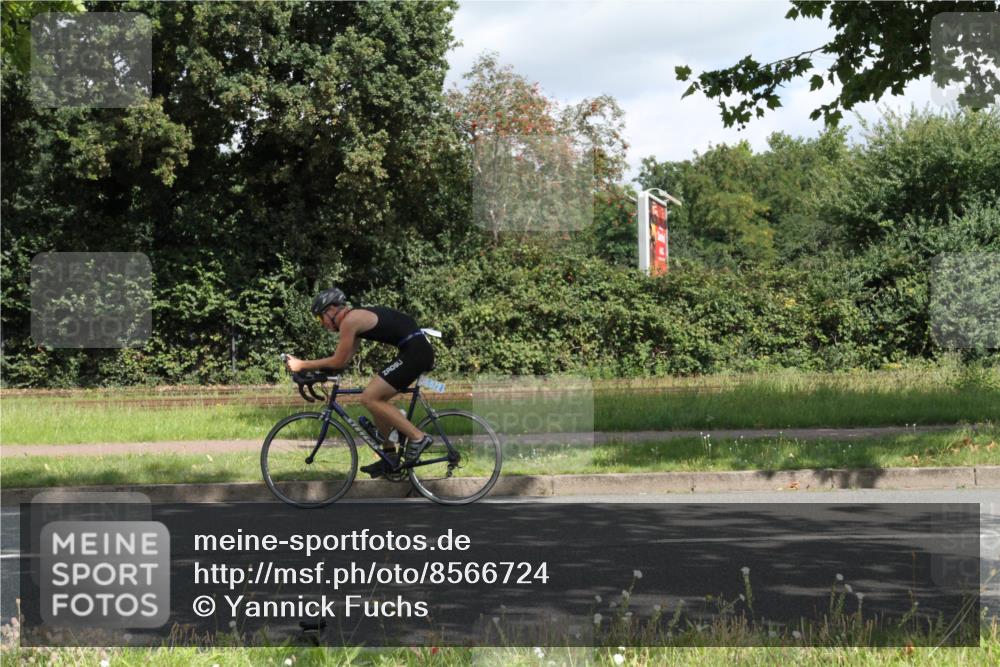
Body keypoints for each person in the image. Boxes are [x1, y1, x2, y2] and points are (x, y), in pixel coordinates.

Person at [283, 287, 434, 477]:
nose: (322, 324)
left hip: (415, 352)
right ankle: (390, 458)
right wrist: (316, 373)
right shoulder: (354, 321)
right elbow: (343, 361)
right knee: (377, 402)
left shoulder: (350, 321)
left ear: (331, 310)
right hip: (414, 350)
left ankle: (418, 438)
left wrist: (302, 364)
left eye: (320, 318)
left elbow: (337, 360)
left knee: (369, 398)